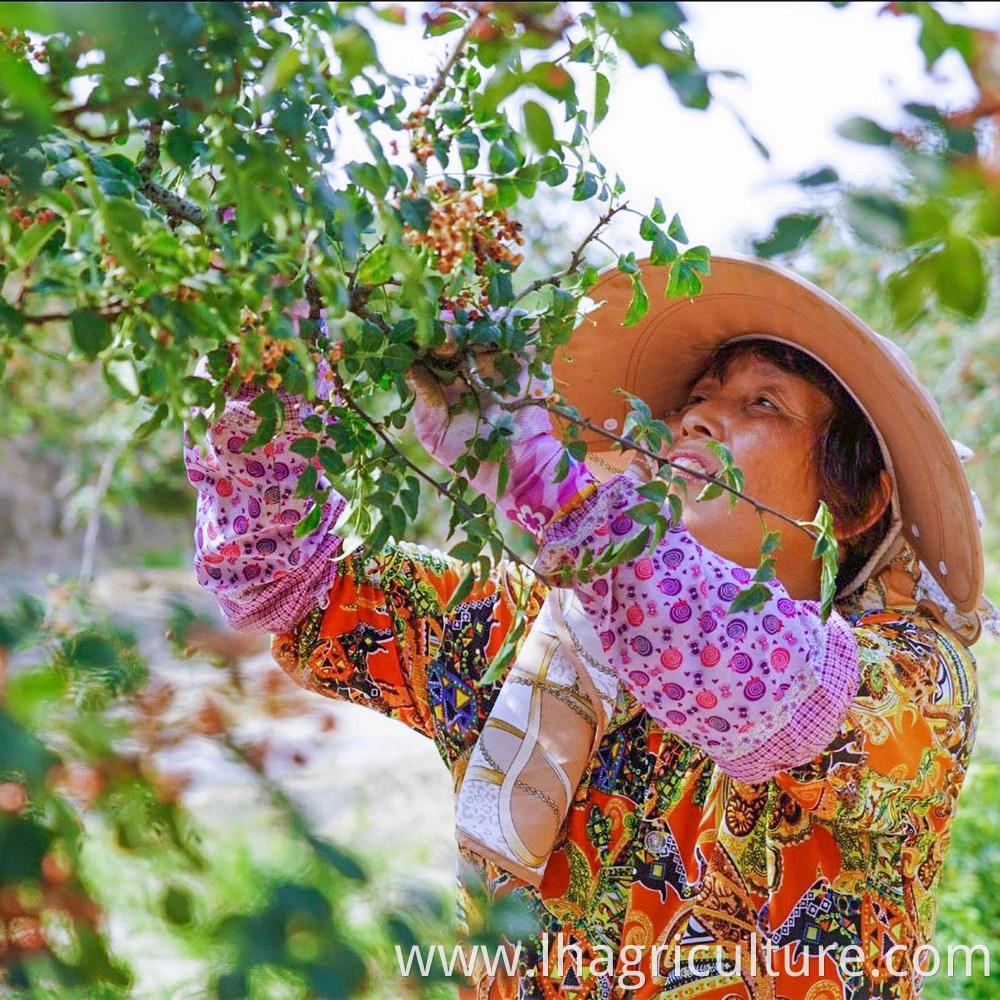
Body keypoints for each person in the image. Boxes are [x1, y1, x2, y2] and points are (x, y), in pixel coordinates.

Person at [183, 256, 988, 1000]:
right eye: (695, 401)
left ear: (859, 504)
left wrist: (551, 491)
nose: (696, 422)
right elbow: (285, 581)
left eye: (761, 402)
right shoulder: (529, 631)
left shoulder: (917, 680)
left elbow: (763, 680)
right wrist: (269, 356)